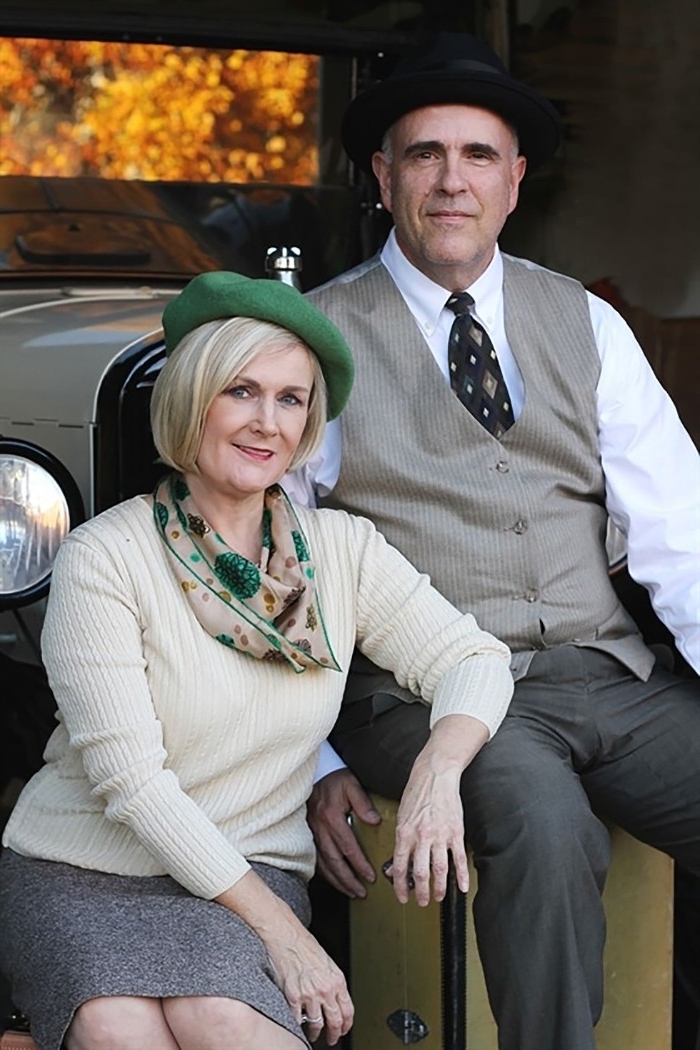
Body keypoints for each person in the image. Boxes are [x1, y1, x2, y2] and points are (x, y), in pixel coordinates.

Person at [287, 31, 700, 1050]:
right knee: (544, 829)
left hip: (606, 672)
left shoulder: (587, 324)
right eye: (423, 154)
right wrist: (313, 759)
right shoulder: (314, 339)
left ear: (513, 181)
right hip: (423, 691)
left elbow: (679, 531)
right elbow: (273, 571)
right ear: (382, 180)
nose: (450, 180)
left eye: (477, 156)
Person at [0, 270, 514, 1050]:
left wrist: (440, 770)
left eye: (290, 398)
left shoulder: (341, 552)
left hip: (247, 870)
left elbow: (474, 657)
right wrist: (288, 937)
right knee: (116, 1029)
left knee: (223, 1020)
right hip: (81, 872)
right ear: (191, 399)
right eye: (240, 391)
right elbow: (134, 785)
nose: (265, 423)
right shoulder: (103, 557)